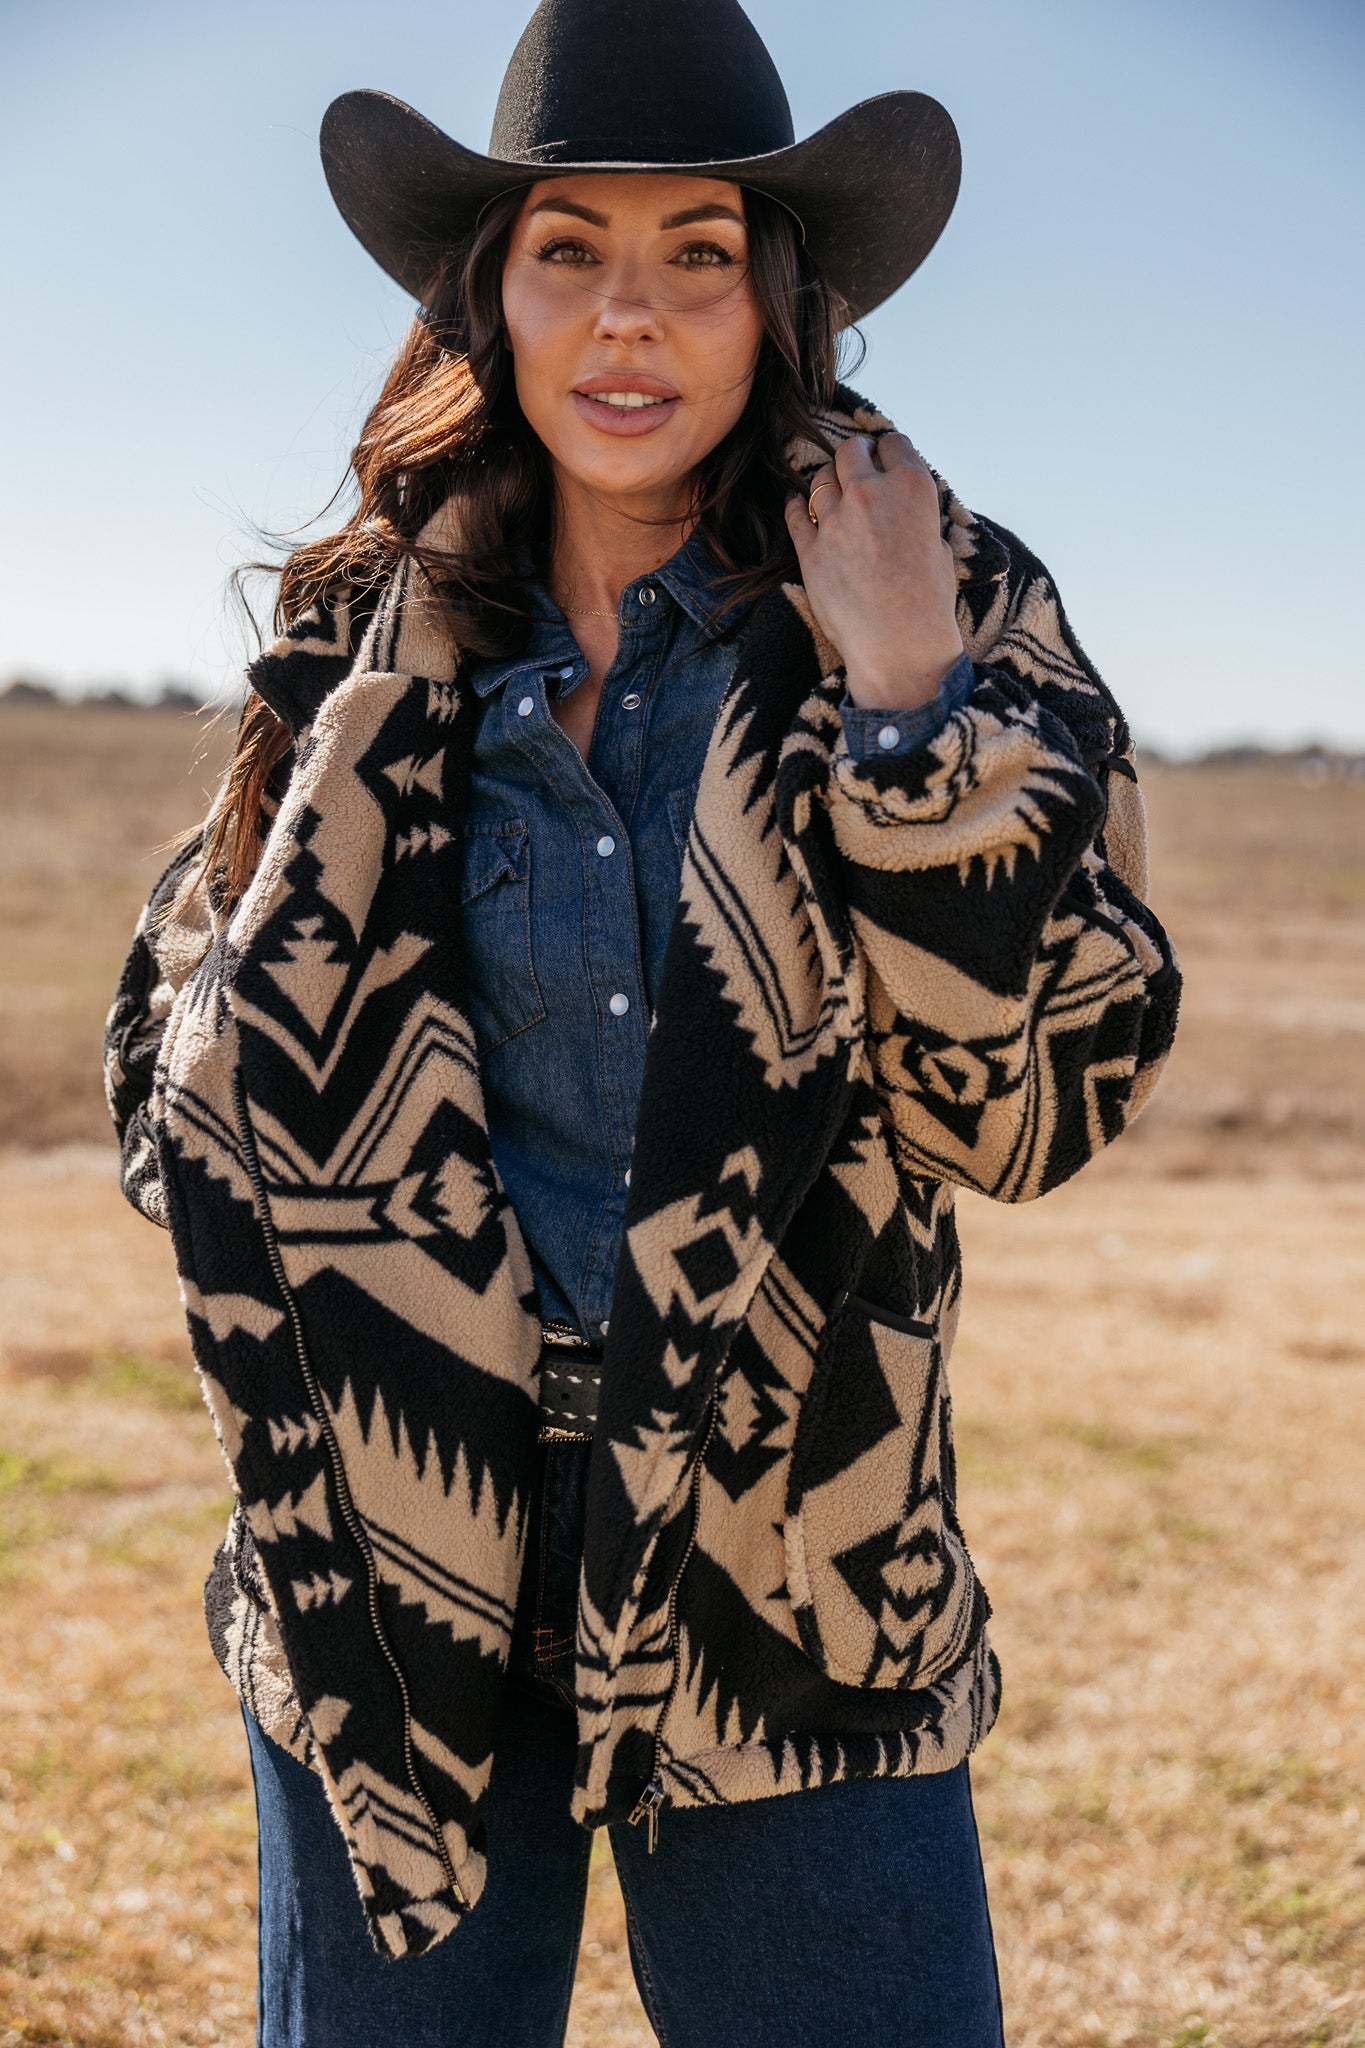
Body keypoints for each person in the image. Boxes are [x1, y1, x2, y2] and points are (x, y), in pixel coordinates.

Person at [102, 0, 1180, 2040]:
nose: (629, 317)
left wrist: (899, 711)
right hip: (399, 1576)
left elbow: (1031, 1104)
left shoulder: (946, 597)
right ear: (485, 297)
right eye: (567, 251)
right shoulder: (363, 634)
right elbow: (179, 1069)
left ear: (772, 303)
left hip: (789, 1577)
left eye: (695, 252)